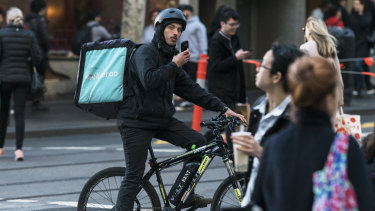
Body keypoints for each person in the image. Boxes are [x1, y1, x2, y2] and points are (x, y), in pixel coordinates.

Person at [114, 8, 246, 210]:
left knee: (199, 144)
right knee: (134, 174)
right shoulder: (145, 52)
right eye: (170, 28)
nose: (175, 33)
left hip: (161, 119)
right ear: (160, 30)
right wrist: (174, 65)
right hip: (136, 122)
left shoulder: (172, 58)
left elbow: (193, 91)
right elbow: (148, 80)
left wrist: (223, 108)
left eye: (179, 29)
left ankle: (182, 195)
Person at [251, 56, 375, 210]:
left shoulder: (273, 145)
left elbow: (258, 203)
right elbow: (366, 203)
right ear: (329, 99)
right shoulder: (344, 148)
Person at [230, 44, 304, 207]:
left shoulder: (297, 118)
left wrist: (260, 152)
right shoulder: (258, 107)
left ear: (276, 77)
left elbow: (299, 173)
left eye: (262, 65)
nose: (257, 69)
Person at [0, 7, 42, 161]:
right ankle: (18, 150)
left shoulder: (1, 34)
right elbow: (37, 57)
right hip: (23, 79)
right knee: (19, 113)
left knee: (3, 112)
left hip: (4, 78)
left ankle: (1, 147)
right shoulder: (29, 35)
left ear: (8, 20)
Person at [207, 8, 250, 110]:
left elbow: (238, 66)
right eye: (231, 24)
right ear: (222, 23)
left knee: (233, 123)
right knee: (228, 122)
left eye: (236, 24)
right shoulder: (215, 41)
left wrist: (242, 94)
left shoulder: (234, 38)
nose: (234, 27)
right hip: (222, 89)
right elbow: (216, 65)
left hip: (234, 87)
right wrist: (235, 58)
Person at [300, 16, 344, 108]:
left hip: (312, 102)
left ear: (310, 31)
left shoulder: (304, 48)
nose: (305, 33)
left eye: (305, 29)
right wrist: (339, 102)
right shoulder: (330, 49)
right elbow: (338, 79)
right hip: (331, 101)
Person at [25, 0, 49, 111]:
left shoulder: (26, 20)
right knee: (39, 76)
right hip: (39, 53)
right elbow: (45, 39)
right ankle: (36, 101)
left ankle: (31, 99)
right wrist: (46, 51)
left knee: (32, 76)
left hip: (27, 53)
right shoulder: (40, 21)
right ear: (41, 9)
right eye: (45, 8)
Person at [349, 0, 375, 96]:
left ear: (362, 5)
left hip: (364, 44)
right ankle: (366, 86)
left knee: (357, 63)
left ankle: (360, 86)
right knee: (363, 65)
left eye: (357, 4)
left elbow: (365, 23)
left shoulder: (367, 14)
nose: (355, 6)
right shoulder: (353, 14)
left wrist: (360, 14)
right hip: (355, 44)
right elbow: (351, 23)